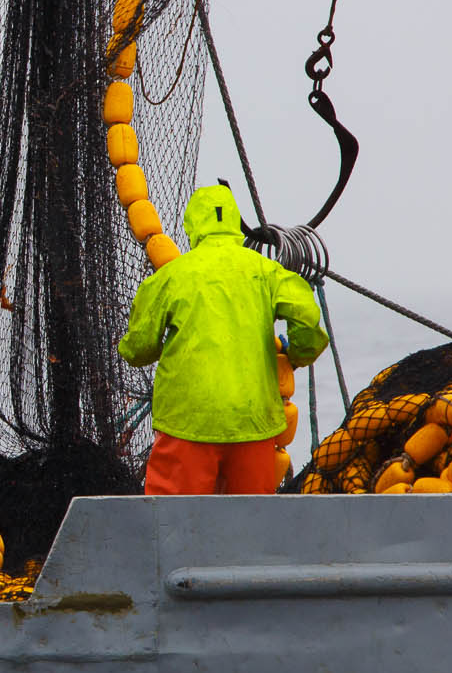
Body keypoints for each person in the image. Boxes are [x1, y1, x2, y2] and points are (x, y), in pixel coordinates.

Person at [116, 182, 328, 496]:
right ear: (233, 223)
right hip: (254, 423)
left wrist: (156, 347)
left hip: (185, 423)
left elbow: (138, 349)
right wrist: (297, 354)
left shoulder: (170, 277)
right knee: (250, 524)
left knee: (172, 524)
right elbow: (307, 321)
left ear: (191, 225)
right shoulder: (267, 272)